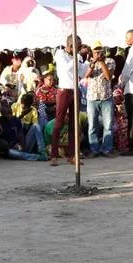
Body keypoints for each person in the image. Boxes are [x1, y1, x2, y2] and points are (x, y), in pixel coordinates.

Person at [50, 35, 86, 166]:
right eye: (78, 46)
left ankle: (72, 155)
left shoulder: (77, 56)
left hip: (75, 90)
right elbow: (66, 69)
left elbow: (82, 72)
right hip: (64, 91)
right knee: (59, 123)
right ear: (70, 45)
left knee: (74, 124)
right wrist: (77, 56)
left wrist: (89, 62)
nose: (80, 48)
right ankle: (53, 155)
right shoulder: (60, 54)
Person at [84, 43, 116, 158]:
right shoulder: (89, 63)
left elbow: (109, 77)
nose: (98, 53)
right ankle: (94, 149)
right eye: (96, 51)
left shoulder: (110, 61)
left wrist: (101, 62)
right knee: (92, 125)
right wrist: (93, 63)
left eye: (100, 50)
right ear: (92, 52)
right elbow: (86, 75)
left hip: (106, 97)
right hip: (92, 97)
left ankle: (107, 149)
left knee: (108, 125)